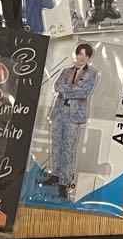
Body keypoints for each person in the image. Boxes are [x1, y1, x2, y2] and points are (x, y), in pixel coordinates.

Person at [41, 43, 99, 200]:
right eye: (80, 53)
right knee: (56, 145)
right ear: (76, 54)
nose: (82, 57)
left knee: (68, 148)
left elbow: (84, 92)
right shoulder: (66, 71)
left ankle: (64, 182)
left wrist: (67, 90)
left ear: (88, 57)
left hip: (75, 115)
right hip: (59, 112)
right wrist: (73, 89)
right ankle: (55, 175)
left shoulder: (92, 74)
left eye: (85, 54)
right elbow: (57, 86)